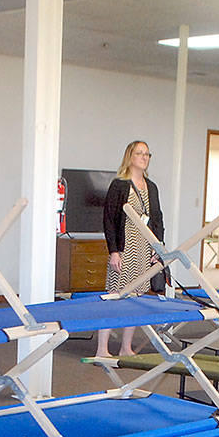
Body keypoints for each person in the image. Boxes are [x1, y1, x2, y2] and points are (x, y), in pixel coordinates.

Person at [95, 140, 164, 358]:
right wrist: (113, 251)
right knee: (115, 296)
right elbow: (109, 219)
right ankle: (102, 349)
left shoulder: (151, 187)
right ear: (130, 157)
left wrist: (157, 247)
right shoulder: (119, 185)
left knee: (136, 298)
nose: (144, 157)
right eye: (139, 153)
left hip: (144, 249)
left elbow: (158, 220)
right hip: (124, 248)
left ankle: (126, 347)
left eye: (147, 154)